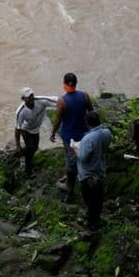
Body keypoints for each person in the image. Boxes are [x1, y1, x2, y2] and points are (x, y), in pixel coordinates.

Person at [50, 73, 93, 202]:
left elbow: (58, 120)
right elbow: (91, 112)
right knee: (83, 156)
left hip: (69, 136)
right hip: (84, 133)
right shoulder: (85, 96)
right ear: (76, 83)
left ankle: (69, 190)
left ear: (64, 85)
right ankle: (80, 177)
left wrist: (52, 132)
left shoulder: (62, 101)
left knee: (71, 160)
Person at [73, 110, 112, 233]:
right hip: (100, 171)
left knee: (90, 201)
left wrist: (74, 148)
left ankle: (91, 227)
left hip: (88, 174)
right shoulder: (107, 132)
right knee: (98, 199)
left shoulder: (88, 138)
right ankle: (96, 221)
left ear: (87, 123)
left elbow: (83, 158)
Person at [14, 87, 58, 175]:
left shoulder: (41, 101)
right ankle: (27, 169)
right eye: (28, 97)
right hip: (25, 129)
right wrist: (18, 145)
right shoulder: (21, 112)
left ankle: (25, 154)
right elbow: (17, 129)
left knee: (35, 147)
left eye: (32, 95)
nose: (31, 98)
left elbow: (59, 101)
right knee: (30, 147)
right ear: (23, 99)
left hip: (36, 129)